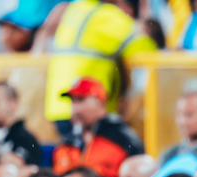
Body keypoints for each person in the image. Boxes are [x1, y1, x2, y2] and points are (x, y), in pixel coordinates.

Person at [42, 0, 156, 132]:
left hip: (58, 107)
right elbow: (144, 46)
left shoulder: (75, 9)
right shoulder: (108, 15)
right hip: (87, 107)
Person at [52, 77, 145, 177]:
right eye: (72, 101)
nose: (75, 109)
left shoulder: (123, 138)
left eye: (81, 100)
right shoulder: (67, 142)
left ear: (100, 101)